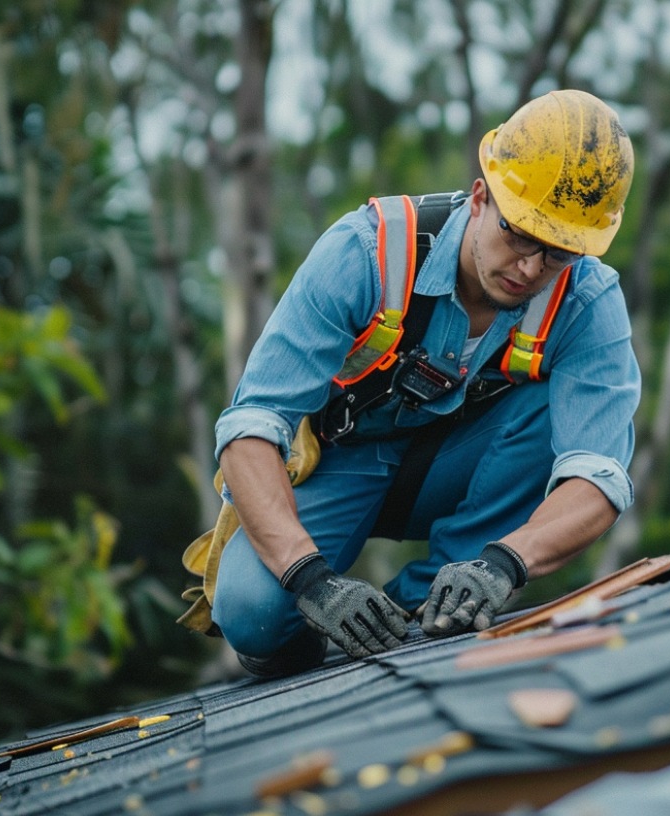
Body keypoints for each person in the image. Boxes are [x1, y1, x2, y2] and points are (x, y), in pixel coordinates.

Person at [206, 89, 640, 677]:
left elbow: (598, 477)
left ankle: (429, 609)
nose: (531, 268)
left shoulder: (587, 300)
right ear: (482, 196)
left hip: (458, 468)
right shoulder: (367, 251)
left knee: (548, 413)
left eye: (559, 252)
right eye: (519, 236)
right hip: (345, 461)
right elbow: (251, 427)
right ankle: (313, 638)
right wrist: (313, 582)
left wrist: (504, 564)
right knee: (254, 613)